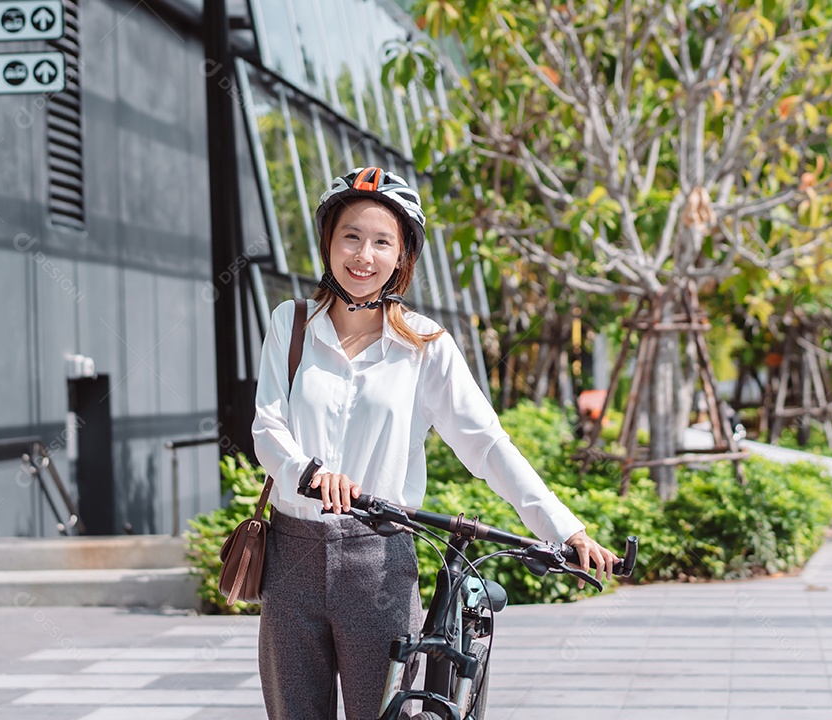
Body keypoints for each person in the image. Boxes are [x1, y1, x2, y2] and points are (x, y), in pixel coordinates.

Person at [252, 167, 620, 720]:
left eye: (382, 242)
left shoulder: (424, 346)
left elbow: (488, 444)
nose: (363, 255)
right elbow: (266, 428)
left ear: (402, 257)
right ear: (328, 241)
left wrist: (564, 527)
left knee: (390, 714)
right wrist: (309, 472)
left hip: (378, 561)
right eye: (350, 236)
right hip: (291, 559)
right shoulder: (292, 323)